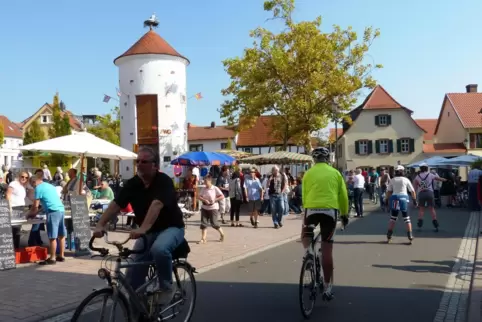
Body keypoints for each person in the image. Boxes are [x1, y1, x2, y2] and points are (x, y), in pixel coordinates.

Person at [93, 146, 185, 307]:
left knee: (160, 249)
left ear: (155, 165)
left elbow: (156, 204)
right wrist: (101, 224)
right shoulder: (133, 184)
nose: (140, 164)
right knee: (131, 281)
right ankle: (138, 314)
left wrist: (143, 228)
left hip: (171, 228)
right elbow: (116, 204)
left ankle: (167, 287)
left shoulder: (163, 181)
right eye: (138, 161)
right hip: (147, 232)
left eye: (144, 161)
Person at [301, 146, 348, 301]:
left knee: (306, 235)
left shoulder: (308, 173)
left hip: (311, 210)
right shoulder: (335, 173)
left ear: (314, 159)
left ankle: (309, 252)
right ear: (328, 159)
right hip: (330, 211)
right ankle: (327, 287)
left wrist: (306, 211)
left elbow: (304, 194)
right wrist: (344, 214)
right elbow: (343, 196)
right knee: (327, 248)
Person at [26, 171, 66, 265]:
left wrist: (29, 214)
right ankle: (61, 255)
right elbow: (46, 203)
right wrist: (37, 212)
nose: (33, 187)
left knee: (52, 236)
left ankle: (52, 258)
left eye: (32, 185)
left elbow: (35, 205)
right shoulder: (49, 186)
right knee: (61, 235)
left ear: (34, 182)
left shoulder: (38, 188)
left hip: (52, 212)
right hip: (60, 210)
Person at [385, 165, 417, 243]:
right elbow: (412, 191)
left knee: (393, 218)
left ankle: (389, 235)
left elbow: (388, 192)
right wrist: (414, 200)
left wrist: (386, 200)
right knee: (406, 218)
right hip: (403, 198)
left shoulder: (392, 180)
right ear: (403, 171)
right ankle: (410, 235)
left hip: (395, 197)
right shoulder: (406, 179)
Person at [412, 163, 446, 232]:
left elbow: (414, 187)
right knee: (431, 209)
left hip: (421, 193)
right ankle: (435, 222)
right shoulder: (430, 175)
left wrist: (413, 197)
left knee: (421, 209)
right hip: (429, 193)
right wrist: (445, 180)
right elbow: (438, 179)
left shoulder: (418, 176)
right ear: (427, 168)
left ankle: (420, 223)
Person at [197, 174, 225, 243]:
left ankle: (222, 234)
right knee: (203, 223)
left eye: (206, 182)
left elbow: (222, 196)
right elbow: (199, 196)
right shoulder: (203, 189)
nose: (205, 183)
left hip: (213, 208)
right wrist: (204, 200)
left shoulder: (215, 188)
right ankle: (203, 239)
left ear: (210, 181)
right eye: (204, 182)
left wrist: (215, 199)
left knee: (214, 223)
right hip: (204, 207)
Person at [6, 171, 30, 249]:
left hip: (21, 208)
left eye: (26, 177)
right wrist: (9, 208)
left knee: (18, 229)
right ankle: (11, 248)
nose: (24, 178)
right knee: (14, 229)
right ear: (19, 176)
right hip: (14, 207)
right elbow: (8, 195)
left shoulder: (23, 186)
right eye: (22, 176)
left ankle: (16, 247)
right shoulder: (13, 184)